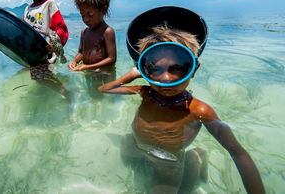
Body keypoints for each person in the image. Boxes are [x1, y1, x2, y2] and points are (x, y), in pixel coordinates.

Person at [98, 26, 265, 193]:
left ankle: (195, 157)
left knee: (183, 190)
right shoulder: (147, 92)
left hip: (169, 164)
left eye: (177, 68)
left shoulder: (199, 110)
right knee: (127, 155)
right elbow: (104, 89)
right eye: (155, 68)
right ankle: (194, 157)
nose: (166, 78)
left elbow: (237, 152)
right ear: (145, 70)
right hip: (142, 150)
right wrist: (131, 75)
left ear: (193, 69)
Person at [19, 0, 69, 97]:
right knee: (40, 80)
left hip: (47, 55)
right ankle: (59, 89)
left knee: (47, 79)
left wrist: (54, 45)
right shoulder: (27, 9)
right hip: (34, 57)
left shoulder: (49, 4)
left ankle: (67, 93)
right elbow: (24, 31)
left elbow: (61, 28)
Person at [68, 0, 116, 72]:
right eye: (83, 15)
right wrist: (74, 61)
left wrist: (88, 67)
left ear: (104, 10)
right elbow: (81, 53)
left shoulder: (107, 32)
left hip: (103, 74)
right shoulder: (84, 32)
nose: (86, 19)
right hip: (88, 71)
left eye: (90, 15)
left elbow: (111, 59)